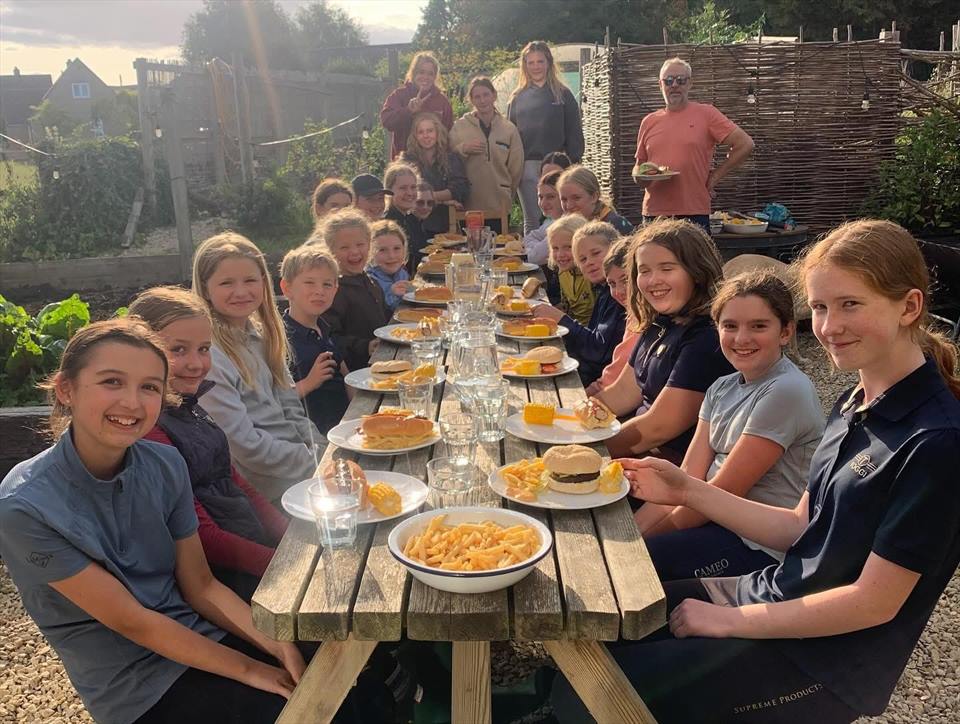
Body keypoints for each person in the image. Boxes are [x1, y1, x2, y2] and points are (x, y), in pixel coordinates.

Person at [553, 219, 960, 723]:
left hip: (823, 659)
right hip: (777, 590)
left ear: (910, 306)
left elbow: (872, 603)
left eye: (850, 304)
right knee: (606, 617)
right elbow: (798, 526)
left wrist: (730, 620)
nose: (830, 326)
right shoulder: (856, 400)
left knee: (593, 692)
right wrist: (686, 488)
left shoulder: (936, 441)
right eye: (820, 307)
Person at [0, 318, 305, 724]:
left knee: (332, 666)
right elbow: (134, 622)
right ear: (65, 389)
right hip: (136, 685)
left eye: (149, 387)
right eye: (112, 382)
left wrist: (274, 643)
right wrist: (254, 670)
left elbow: (201, 585)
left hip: (196, 634)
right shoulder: (24, 505)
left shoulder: (165, 464)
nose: (132, 402)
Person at [637, 272, 825, 581]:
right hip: (714, 519)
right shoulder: (721, 388)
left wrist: (640, 544)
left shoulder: (786, 390)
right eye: (730, 326)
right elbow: (686, 479)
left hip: (759, 544)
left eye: (759, 326)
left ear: (786, 332)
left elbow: (721, 492)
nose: (741, 339)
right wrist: (633, 530)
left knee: (642, 565)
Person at [128, 287, 289, 602]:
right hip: (223, 577)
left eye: (204, 349)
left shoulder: (190, 406)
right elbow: (203, 536)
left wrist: (289, 537)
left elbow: (237, 482)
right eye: (178, 350)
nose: (196, 363)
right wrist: (278, 564)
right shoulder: (150, 432)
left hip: (252, 546)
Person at [192, 232, 319, 502]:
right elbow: (245, 446)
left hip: (303, 471)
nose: (241, 292)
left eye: (250, 280)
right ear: (205, 288)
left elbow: (291, 406)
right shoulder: (209, 355)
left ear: (263, 282)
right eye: (226, 283)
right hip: (266, 494)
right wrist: (313, 462)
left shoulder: (263, 337)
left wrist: (320, 448)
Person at [595, 219, 734, 461]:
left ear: (696, 271)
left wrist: (586, 448)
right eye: (644, 271)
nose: (653, 280)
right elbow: (622, 393)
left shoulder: (707, 337)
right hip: (642, 447)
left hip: (676, 463)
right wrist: (570, 419)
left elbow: (657, 428)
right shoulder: (659, 322)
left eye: (667, 269)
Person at [634, 57, 755, 232]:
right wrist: (640, 177)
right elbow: (639, 167)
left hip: (694, 212)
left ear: (690, 84)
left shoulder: (707, 114)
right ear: (660, 85)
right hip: (655, 213)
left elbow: (745, 144)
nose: (674, 85)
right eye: (668, 81)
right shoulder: (649, 121)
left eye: (680, 80)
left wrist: (715, 176)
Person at [534, 221, 625, 387]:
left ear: (616, 249)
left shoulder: (619, 296)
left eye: (596, 253)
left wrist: (561, 319)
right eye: (582, 259)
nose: (589, 262)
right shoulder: (605, 290)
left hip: (601, 382)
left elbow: (598, 351)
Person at [508, 41, 584, 235]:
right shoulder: (517, 98)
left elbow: (574, 132)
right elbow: (511, 137)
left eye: (540, 61)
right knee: (532, 220)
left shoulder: (562, 94)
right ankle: (533, 255)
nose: (536, 67)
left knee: (561, 219)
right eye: (531, 62)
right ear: (525, 65)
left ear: (548, 62)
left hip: (556, 165)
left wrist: (572, 165)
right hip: (528, 166)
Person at [279, 245, 350, 436]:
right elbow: (274, 400)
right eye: (309, 283)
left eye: (327, 284)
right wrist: (309, 382)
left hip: (343, 426)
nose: (319, 291)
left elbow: (346, 376)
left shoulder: (324, 328)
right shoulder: (281, 339)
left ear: (335, 289)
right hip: (311, 436)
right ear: (287, 288)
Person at [450, 76, 524, 235]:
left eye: (486, 95)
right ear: (471, 100)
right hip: (470, 203)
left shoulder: (509, 129)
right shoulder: (459, 127)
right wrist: (463, 148)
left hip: (499, 202)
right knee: (472, 246)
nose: (482, 100)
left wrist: (506, 191)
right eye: (477, 97)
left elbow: (516, 168)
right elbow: (449, 159)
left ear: (494, 95)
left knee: (499, 247)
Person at [319, 209, 390, 372]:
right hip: (357, 372)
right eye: (344, 247)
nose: (355, 252)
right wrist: (365, 346)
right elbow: (330, 337)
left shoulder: (371, 282)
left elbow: (386, 318)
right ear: (330, 251)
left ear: (370, 245)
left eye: (360, 245)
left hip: (383, 361)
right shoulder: (332, 291)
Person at [399, 111, 469, 241]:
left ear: (437, 133)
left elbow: (460, 189)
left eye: (430, 131)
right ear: (415, 136)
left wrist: (430, 198)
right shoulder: (407, 160)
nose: (426, 136)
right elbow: (403, 192)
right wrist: (443, 200)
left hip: (444, 225)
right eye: (421, 132)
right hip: (414, 224)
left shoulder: (451, 158)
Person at [584, 240, 641, 397]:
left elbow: (620, 382)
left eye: (626, 280)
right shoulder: (634, 315)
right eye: (612, 284)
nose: (619, 291)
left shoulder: (646, 321)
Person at [380, 51, 453, 159]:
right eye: (421, 72)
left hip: (434, 163)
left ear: (435, 77)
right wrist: (408, 111)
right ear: (413, 73)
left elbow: (449, 133)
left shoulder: (442, 101)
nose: (425, 77)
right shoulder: (400, 95)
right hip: (405, 162)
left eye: (430, 74)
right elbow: (386, 121)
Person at [543, 213, 592, 322]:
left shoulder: (592, 275)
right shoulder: (563, 271)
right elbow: (567, 309)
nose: (560, 255)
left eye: (568, 247)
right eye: (555, 248)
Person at [557, 165, 633, 235]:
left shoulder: (616, 225)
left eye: (576, 198)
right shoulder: (565, 227)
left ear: (594, 197)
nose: (569, 206)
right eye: (564, 199)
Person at [383, 160, 428, 267]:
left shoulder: (412, 219)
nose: (410, 193)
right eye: (403, 188)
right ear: (389, 191)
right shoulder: (388, 224)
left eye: (413, 187)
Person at [367, 220, 412, 312]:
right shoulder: (370, 281)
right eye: (382, 250)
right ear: (370, 252)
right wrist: (392, 294)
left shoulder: (402, 273)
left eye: (397, 248)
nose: (391, 256)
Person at [522, 170, 562, 266]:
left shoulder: (562, 227)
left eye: (550, 197)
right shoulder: (551, 222)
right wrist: (535, 246)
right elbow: (528, 238)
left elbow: (533, 258)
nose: (543, 203)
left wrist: (530, 248)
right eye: (540, 197)